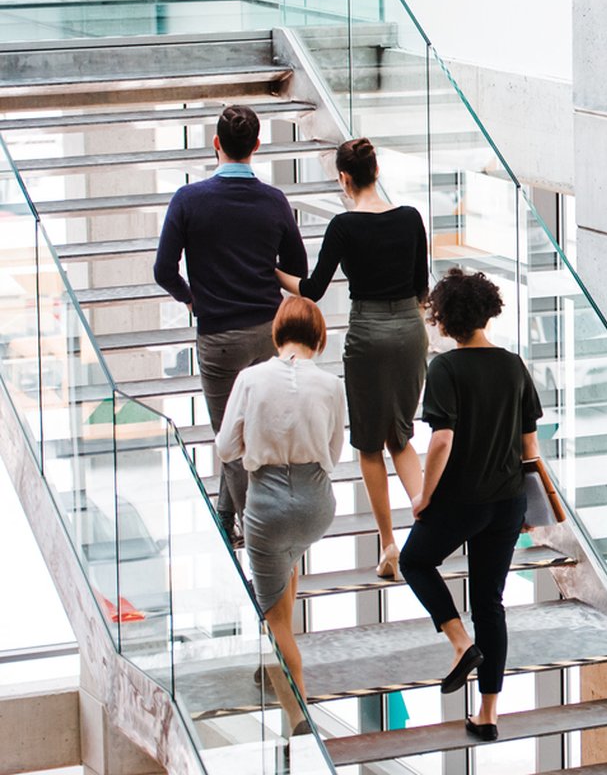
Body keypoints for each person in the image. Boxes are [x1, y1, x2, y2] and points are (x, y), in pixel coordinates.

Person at [153, 105, 308, 546]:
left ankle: (254, 532)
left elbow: (164, 270)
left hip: (218, 337)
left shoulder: (188, 200)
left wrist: (191, 297)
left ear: (216, 144)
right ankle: (226, 518)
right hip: (267, 333)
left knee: (231, 439)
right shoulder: (274, 201)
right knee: (253, 429)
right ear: (256, 147)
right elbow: (297, 268)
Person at [400, 267, 542, 742]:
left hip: (462, 500)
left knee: (414, 561)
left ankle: (461, 645)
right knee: (490, 603)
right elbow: (531, 450)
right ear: (486, 311)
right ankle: (488, 715)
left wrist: (423, 496)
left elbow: (441, 441)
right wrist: (529, 511)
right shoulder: (514, 365)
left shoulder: (445, 368)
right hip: (507, 504)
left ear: (445, 319)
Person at [276, 137, 428, 581]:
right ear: (376, 171)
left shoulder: (343, 227)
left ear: (345, 178)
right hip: (410, 331)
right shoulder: (410, 218)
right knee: (401, 436)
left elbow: (313, 289)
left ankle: (387, 545)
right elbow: (421, 286)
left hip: (367, 334)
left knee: (369, 444)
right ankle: (425, 522)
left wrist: (271, 270)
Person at [216, 297, 345, 730]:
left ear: (277, 334)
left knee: (276, 622)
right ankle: (275, 673)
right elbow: (333, 453)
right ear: (319, 337)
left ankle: (299, 717)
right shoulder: (330, 385)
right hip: (315, 504)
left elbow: (225, 449)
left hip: (267, 504)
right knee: (287, 566)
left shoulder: (251, 379)